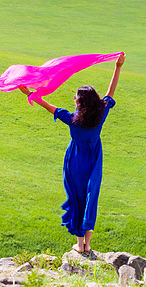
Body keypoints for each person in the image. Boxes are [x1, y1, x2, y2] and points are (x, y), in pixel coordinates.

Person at [19, 53, 124, 255]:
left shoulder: (72, 118)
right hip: (94, 158)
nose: (73, 98)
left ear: (80, 102)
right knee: (91, 196)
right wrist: (117, 67)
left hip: (75, 159)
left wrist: (28, 93)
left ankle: (79, 243)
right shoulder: (101, 113)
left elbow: (45, 104)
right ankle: (88, 243)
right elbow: (111, 91)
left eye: (75, 96)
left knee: (77, 196)